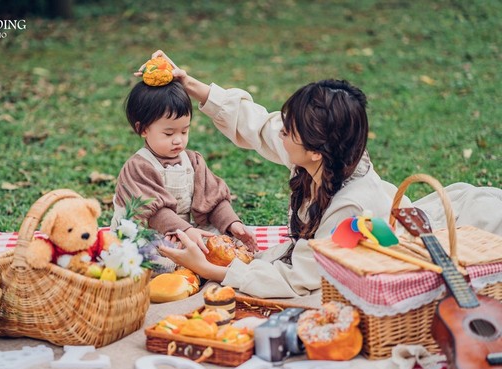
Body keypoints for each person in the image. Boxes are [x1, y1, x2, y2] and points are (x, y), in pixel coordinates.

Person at [151, 50, 502, 302]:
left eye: (289, 129)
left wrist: (211, 270)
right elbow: (259, 125)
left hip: (471, 232)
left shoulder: (350, 211)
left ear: (316, 148)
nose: (281, 131)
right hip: (431, 215)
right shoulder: (324, 157)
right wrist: (191, 84)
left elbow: (303, 278)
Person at [112, 80, 257, 257]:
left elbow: (212, 199)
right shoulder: (138, 167)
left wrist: (231, 223)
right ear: (142, 129)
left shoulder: (193, 160)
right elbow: (155, 212)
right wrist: (185, 231)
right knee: (150, 258)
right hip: (147, 231)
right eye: (169, 133)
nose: (178, 140)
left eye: (184, 131)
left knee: (221, 245)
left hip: (185, 230)